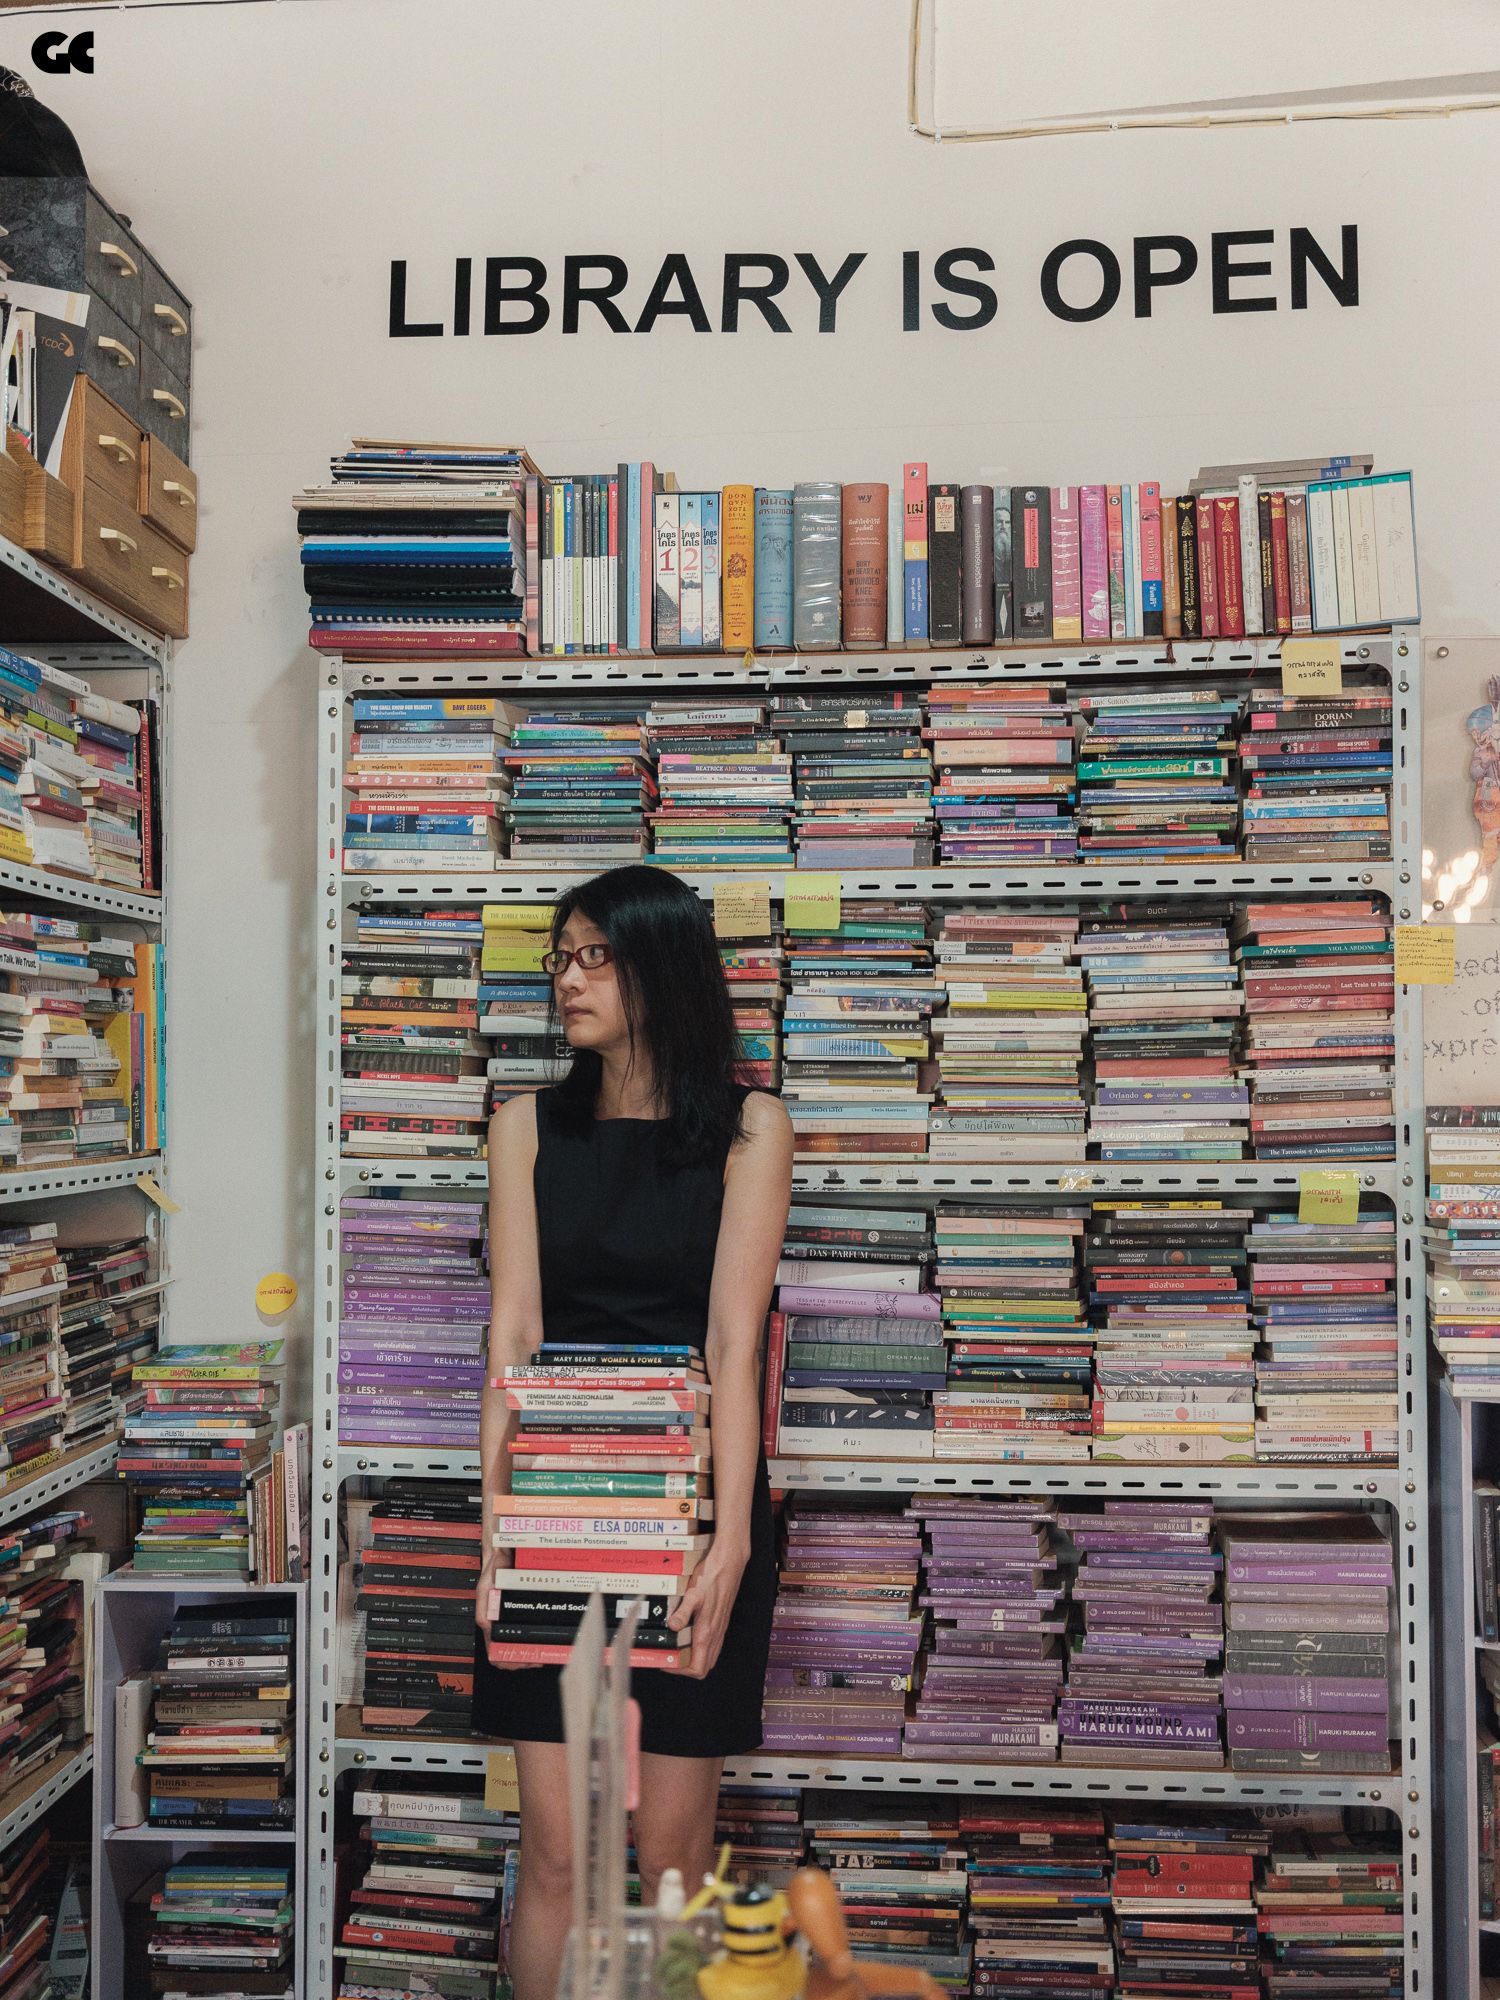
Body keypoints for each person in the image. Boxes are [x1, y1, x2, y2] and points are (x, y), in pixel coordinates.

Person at [472, 864, 793, 2000]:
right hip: (552, 1510)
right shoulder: (524, 1127)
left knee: (670, 1863)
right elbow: (514, 1330)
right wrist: (494, 1533)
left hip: (691, 1508)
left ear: (661, 966)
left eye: (593, 956)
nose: (567, 978)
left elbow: (733, 1341)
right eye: (559, 958)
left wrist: (732, 1541)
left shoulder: (751, 1127)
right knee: (558, 1857)